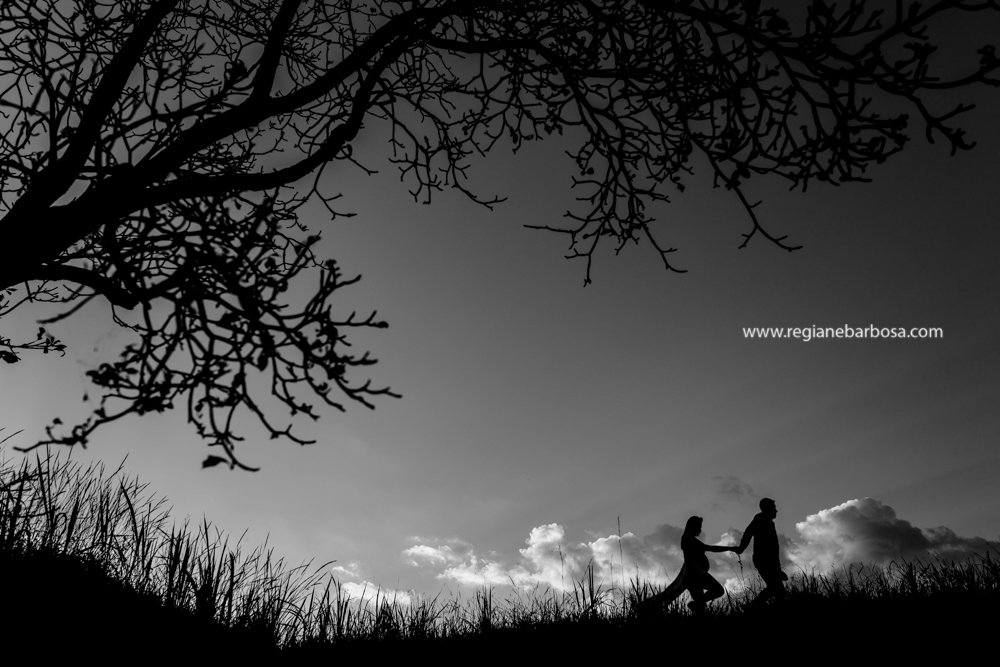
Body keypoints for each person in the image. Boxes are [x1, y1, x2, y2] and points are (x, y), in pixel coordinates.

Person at [735, 498, 788, 609]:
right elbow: (748, 533)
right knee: (776, 588)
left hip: (769, 561)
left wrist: (778, 569)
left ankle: (753, 607)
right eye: (773, 508)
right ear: (766, 508)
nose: (776, 511)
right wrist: (741, 548)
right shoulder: (760, 519)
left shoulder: (768, 522)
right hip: (763, 560)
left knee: (778, 590)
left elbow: (773, 549)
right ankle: (752, 607)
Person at [679, 515, 736, 613]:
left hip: (693, 575)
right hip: (695, 575)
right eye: (699, 527)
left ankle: (696, 604)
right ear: (693, 526)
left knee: (700, 608)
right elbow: (709, 549)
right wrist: (730, 548)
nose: (700, 530)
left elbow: (708, 548)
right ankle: (695, 604)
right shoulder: (688, 539)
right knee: (718, 590)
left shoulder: (689, 538)